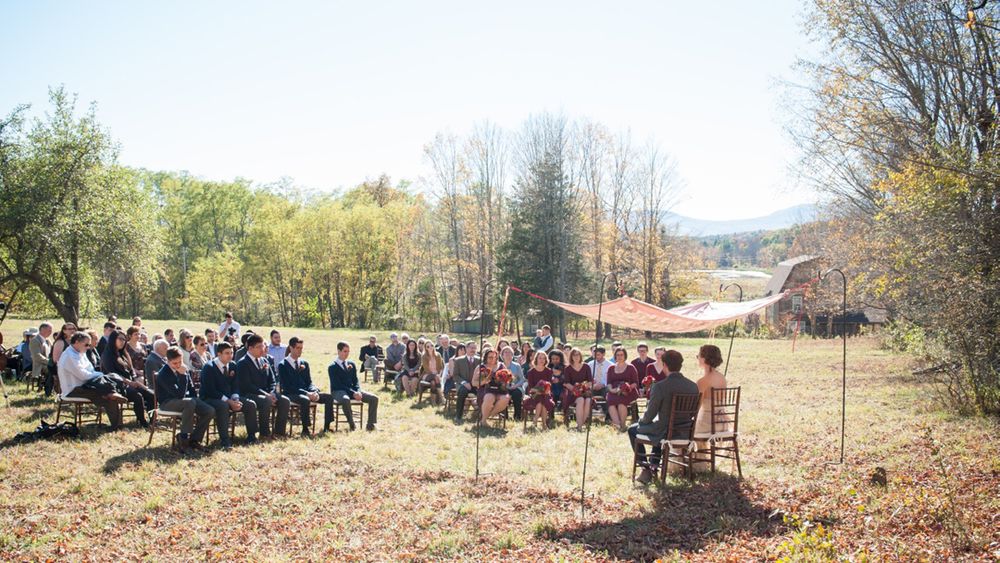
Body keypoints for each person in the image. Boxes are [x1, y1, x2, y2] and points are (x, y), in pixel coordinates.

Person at [628, 349, 700, 484]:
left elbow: (650, 414)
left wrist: (642, 421)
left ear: (664, 365)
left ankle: (646, 467)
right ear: (680, 365)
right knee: (659, 426)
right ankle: (654, 466)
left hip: (665, 431)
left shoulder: (660, 386)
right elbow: (692, 413)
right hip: (685, 431)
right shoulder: (693, 386)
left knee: (633, 429)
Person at [58, 332, 127, 430]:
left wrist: (99, 375)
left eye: (89, 345)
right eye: (86, 344)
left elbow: (90, 370)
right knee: (108, 396)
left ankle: (112, 393)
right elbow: (83, 375)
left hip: (87, 384)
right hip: (74, 389)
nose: (88, 347)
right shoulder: (69, 356)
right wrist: (100, 375)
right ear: (77, 342)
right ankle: (116, 426)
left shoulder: (80, 352)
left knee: (112, 376)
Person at [156, 347, 215, 451]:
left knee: (209, 410)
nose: (178, 365)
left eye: (180, 361)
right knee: (190, 402)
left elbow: (191, 389)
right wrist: (182, 376)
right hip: (167, 402)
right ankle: (183, 438)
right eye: (175, 363)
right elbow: (179, 395)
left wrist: (199, 402)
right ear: (168, 361)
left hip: (186, 401)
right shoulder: (163, 374)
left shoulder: (183, 368)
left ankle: (194, 440)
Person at [199, 341, 255, 448]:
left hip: (229, 397)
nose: (230, 355)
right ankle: (225, 440)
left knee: (250, 404)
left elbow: (236, 384)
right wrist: (228, 401)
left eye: (232, 353)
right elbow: (211, 390)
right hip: (209, 398)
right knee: (223, 406)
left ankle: (251, 436)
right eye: (227, 353)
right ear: (219, 354)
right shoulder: (209, 367)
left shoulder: (233, 365)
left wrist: (235, 398)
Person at [236, 333, 290, 439]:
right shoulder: (242, 363)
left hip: (267, 393)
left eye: (263, 346)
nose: (262, 349)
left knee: (285, 400)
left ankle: (279, 432)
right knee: (266, 401)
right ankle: (264, 433)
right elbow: (247, 385)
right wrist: (266, 395)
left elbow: (272, 380)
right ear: (250, 348)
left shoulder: (264, 360)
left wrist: (272, 392)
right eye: (259, 347)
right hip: (249, 394)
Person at [279, 337, 335, 436]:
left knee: (329, 397)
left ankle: (327, 426)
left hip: (307, 392)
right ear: (291, 348)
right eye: (297, 348)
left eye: (301, 348)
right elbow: (286, 386)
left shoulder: (304, 363)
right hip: (291, 393)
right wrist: (306, 393)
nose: (300, 350)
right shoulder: (283, 365)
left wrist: (314, 392)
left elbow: (309, 382)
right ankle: (305, 428)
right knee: (305, 399)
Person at [100, 330, 155, 427]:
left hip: (130, 383)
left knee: (151, 394)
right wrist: (129, 382)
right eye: (120, 339)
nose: (123, 341)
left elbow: (131, 371)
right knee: (137, 396)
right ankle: (142, 421)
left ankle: (152, 420)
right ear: (113, 339)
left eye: (124, 339)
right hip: (116, 386)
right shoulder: (107, 355)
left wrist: (136, 381)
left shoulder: (124, 354)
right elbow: (111, 374)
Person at [328, 341, 379, 431]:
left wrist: (358, 391)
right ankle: (352, 424)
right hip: (338, 391)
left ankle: (370, 425)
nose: (347, 354)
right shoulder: (332, 367)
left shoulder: (351, 364)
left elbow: (355, 380)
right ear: (338, 351)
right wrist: (353, 393)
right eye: (345, 351)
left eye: (348, 351)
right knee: (345, 399)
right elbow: (338, 384)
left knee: (374, 398)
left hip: (352, 391)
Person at [693, 344, 728, 458]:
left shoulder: (702, 381)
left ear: (704, 359)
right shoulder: (722, 378)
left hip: (708, 424)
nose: (697, 358)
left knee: (683, 429)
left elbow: (696, 408)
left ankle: (695, 461)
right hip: (722, 423)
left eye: (698, 356)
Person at [606, 347, 639, 431]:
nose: (619, 357)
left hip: (628, 392)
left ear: (625, 356)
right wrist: (611, 390)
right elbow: (609, 382)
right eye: (617, 355)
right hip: (614, 391)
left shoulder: (631, 367)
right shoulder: (611, 368)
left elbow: (635, 383)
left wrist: (627, 388)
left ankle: (623, 425)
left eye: (621, 355)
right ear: (615, 356)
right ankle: (618, 426)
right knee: (611, 402)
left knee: (621, 403)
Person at [476, 349, 510, 424]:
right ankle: (484, 421)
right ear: (486, 358)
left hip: (499, 390)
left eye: (494, 357)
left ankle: (488, 415)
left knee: (506, 398)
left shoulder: (501, 365)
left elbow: (507, 378)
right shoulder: (481, 367)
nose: (492, 359)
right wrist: (484, 381)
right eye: (490, 357)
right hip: (485, 390)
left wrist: (504, 381)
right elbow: (473, 382)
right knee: (489, 397)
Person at [563, 348, 594, 430]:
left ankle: (580, 424)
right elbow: (566, 383)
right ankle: (580, 426)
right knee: (580, 400)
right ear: (571, 357)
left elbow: (590, 381)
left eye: (578, 354)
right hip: (573, 393)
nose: (576, 357)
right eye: (574, 355)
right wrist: (576, 389)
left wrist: (583, 386)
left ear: (580, 356)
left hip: (585, 391)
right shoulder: (568, 368)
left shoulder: (586, 366)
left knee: (587, 401)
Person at [522, 350, 555, 427]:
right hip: (534, 394)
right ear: (536, 359)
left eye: (544, 358)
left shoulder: (549, 371)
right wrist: (539, 391)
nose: (542, 360)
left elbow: (549, 385)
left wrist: (544, 391)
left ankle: (535, 421)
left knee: (542, 400)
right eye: (540, 358)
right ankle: (543, 424)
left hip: (546, 393)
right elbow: (531, 388)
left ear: (546, 360)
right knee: (540, 400)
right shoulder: (531, 372)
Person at [452, 341, 480, 422]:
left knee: (483, 392)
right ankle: (458, 416)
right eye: (471, 348)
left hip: (476, 384)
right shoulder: (458, 360)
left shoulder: (479, 360)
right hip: (463, 385)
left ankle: (481, 415)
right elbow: (455, 376)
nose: (473, 350)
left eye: (474, 348)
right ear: (466, 348)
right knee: (462, 392)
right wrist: (464, 383)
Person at [500, 346, 525, 420]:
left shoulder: (517, 365)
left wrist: (515, 386)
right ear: (502, 355)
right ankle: (504, 416)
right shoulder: (500, 366)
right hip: (503, 387)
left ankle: (517, 416)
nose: (508, 354)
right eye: (506, 352)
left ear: (512, 355)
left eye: (510, 352)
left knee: (516, 394)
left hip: (515, 386)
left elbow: (522, 379)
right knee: (502, 394)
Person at [30, 322, 53, 395]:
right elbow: (37, 356)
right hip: (40, 365)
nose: (51, 332)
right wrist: (50, 362)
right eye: (49, 330)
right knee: (53, 369)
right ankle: (48, 390)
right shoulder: (35, 340)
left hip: (48, 362)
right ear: (42, 330)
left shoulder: (48, 340)